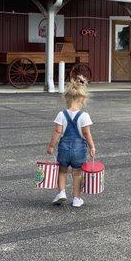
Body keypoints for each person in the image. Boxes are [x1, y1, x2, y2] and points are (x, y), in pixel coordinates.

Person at [47, 75, 96, 207]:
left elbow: (57, 132)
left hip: (63, 148)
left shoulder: (61, 114)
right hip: (79, 150)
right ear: (83, 99)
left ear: (66, 98)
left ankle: (61, 192)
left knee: (62, 171)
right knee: (77, 174)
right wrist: (92, 147)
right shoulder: (84, 116)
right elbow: (86, 133)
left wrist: (51, 146)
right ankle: (76, 199)